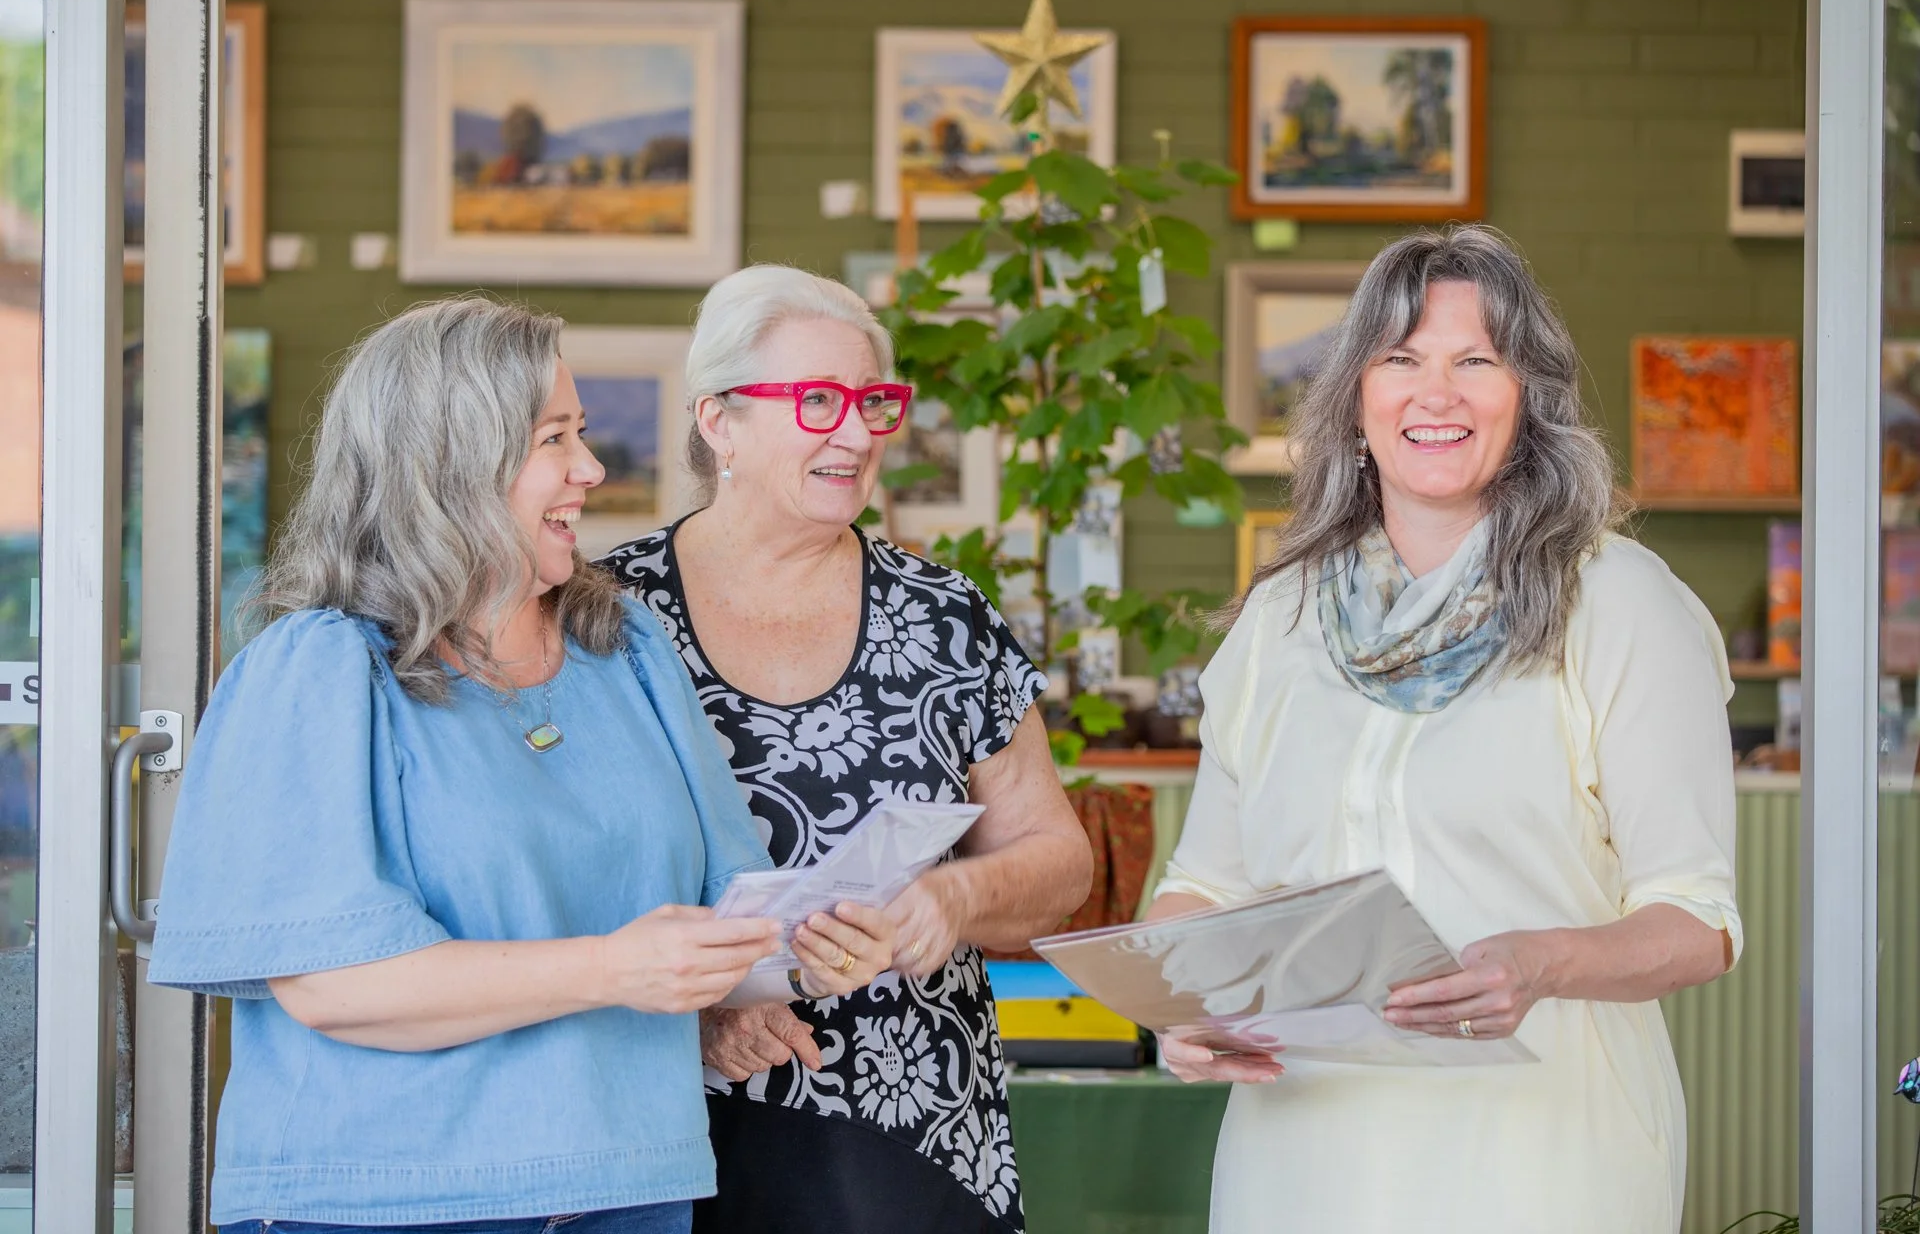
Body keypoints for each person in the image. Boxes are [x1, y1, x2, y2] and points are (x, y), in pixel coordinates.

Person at [145, 296, 896, 1234]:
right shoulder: (322, 670)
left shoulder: (623, 649)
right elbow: (333, 985)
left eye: (581, 433)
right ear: (452, 462)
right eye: (554, 439)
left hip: (631, 1187)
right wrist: (614, 969)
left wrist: (787, 961)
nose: (590, 468)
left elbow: (726, 898)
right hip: (383, 1204)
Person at [1146, 226, 1740, 1233]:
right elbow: (1205, 885)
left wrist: (1539, 963)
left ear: (1529, 396)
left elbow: (1698, 919)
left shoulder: (1620, 602)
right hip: (1298, 1155)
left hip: (1540, 1160)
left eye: (1477, 360)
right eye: (1402, 358)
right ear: (1356, 396)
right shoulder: (1279, 616)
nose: (1437, 393)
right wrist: (1179, 1003)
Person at [598, 264, 1093, 1234]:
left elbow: (1060, 858)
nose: (860, 432)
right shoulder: (607, 618)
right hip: (666, 1119)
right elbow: (550, 884)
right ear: (718, 421)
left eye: (874, 401)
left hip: (913, 1134)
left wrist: (952, 897)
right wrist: (694, 1009)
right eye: (819, 399)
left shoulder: (944, 615)